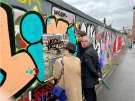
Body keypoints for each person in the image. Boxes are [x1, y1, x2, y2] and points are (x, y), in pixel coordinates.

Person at [80, 34, 102, 101]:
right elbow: (98, 64)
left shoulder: (86, 53)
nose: (83, 43)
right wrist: (99, 73)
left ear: (89, 42)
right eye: (82, 41)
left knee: (89, 97)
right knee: (93, 95)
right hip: (92, 80)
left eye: (85, 41)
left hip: (88, 80)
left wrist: (98, 74)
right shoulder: (93, 50)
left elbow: (91, 67)